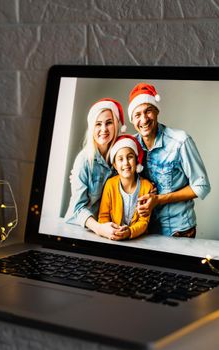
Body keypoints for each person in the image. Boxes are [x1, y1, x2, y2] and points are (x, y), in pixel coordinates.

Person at [127, 83, 210, 237]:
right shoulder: (130, 146)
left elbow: (202, 186)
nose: (144, 119)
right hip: (143, 230)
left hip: (179, 231)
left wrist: (158, 200)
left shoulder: (180, 141)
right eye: (137, 114)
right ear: (132, 120)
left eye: (148, 111)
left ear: (157, 111)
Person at [64, 98, 127, 238]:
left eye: (109, 123)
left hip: (107, 230)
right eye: (98, 124)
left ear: (116, 125)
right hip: (79, 230)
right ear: (92, 127)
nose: (103, 129)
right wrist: (99, 228)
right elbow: (78, 208)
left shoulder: (121, 157)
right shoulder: (84, 160)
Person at [98, 135, 154, 240]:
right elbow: (103, 216)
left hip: (138, 240)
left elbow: (144, 221)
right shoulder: (110, 185)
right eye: (120, 159)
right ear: (114, 164)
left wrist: (130, 232)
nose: (126, 163)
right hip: (112, 237)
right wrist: (111, 231)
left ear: (136, 160)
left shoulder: (147, 187)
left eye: (130, 157)